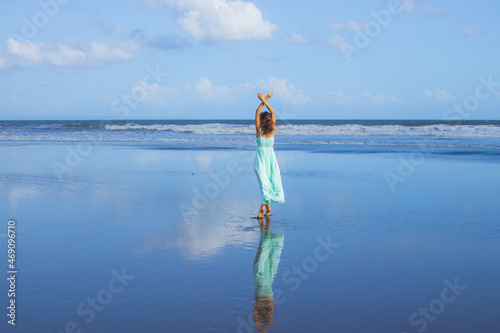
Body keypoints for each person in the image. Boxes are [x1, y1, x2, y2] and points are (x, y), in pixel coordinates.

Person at [254, 91, 285, 219]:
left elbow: (257, 111)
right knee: (268, 182)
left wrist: (263, 99)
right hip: (271, 159)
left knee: (264, 183)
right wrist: (266, 99)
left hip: (261, 159)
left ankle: (262, 207)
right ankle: (267, 207)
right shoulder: (273, 130)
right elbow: (272, 112)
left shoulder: (258, 130)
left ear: (261, 120)